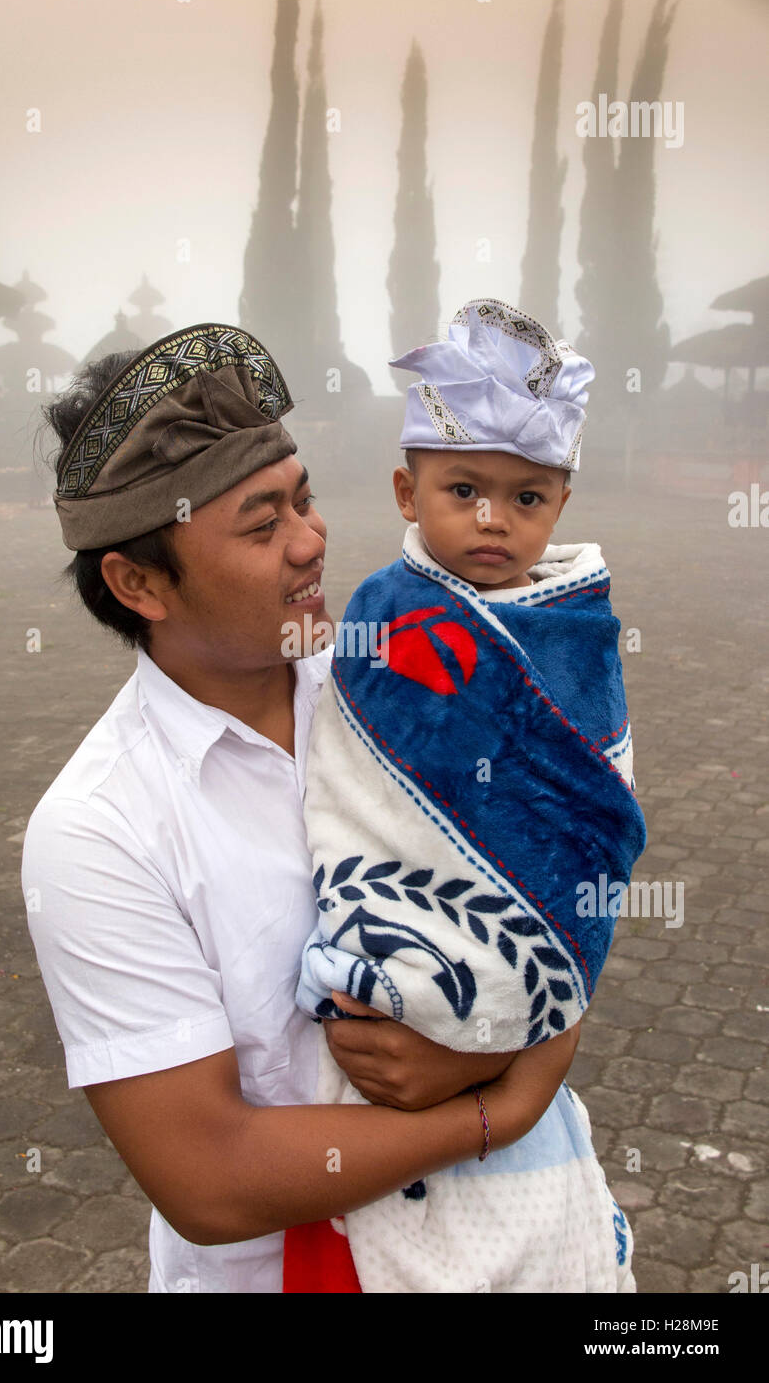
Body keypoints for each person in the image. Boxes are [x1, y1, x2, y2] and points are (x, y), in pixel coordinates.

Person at [21, 322, 585, 1294]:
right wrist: (497, 1107)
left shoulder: (406, 678)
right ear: (138, 581)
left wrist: (539, 1034)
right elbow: (209, 1175)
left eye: (306, 499)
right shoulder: (101, 830)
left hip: (524, 1243)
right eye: (261, 522)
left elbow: (564, 896)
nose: (312, 538)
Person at [292, 298, 647, 1292]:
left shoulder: (578, 632)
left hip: (523, 1023)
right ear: (407, 492)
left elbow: (594, 815)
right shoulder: (380, 615)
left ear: (562, 506)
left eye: (527, 498)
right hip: (385, 989)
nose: (494, 519)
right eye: (464, 488)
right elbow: (358, 786)